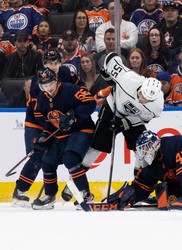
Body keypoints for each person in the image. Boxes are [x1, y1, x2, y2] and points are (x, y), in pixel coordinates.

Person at [75, 52, 164, 187]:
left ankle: (140, 187)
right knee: (96, 147)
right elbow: (111, 57)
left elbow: (142, 120)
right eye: (141, 95)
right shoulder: (128, 79)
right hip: (112, 107)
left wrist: (124, 124)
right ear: (141, 87)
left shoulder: (156, 106)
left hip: (132, 118)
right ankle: (75, 185)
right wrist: (108, 76)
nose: (142, 100)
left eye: (147, 100)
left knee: (143, 148)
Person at [12, 48, 84, 206]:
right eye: (48, 62)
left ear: (61, 62)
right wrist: (48, 131)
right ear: (43, 64)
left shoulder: (67, 74)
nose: (52, 66)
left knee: (62, 156)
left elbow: (82, 90)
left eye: (55, 62)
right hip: (37, 122)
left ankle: (52, 193)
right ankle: (20, 191)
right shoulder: (40, 80)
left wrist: (72, 112)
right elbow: (37, 111)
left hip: (59, 122)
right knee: (38, 154)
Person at [31, 67, 97, 210]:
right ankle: (50, 196)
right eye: (44, 85)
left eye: (50, 84)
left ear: (56, 80)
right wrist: (44, 137)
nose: (48, 88)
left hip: (82, 129)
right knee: (47, 161)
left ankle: (86, 194)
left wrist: (74, 116)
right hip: (62, 134)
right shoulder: (42, 99)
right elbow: (48, 122)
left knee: (70, 158)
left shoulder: (70, 89)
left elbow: (90, 101)